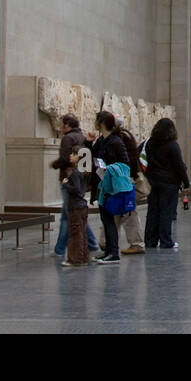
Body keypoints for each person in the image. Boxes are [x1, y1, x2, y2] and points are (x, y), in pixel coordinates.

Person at [87, 110, 131, 264]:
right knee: (105, 219)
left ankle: (113, 252)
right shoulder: (101, 141)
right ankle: (108, 250)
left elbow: (125, 163)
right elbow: (90, 158)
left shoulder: (116, 142)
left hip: (112, 185)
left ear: (102, 123)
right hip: (102, 185)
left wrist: (110, 169)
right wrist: (88, 142)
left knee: (110, 220)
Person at [53, 113, 99, 257]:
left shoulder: (68, 138)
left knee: (69, 215)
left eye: (62, 124)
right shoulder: (82, 137)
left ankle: (61, 248)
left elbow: (65, 157)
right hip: (82, 179)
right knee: (73, 213)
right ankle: (90, 243)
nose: (60, 127)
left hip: (71, 179)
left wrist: (55, 165)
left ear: (67, 125)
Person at [143, 118, 190, 249]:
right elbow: (179, 166)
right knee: (166, 211)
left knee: (153, 211)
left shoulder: (150, 143)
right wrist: (186, 183)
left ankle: (150, 240)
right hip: (169, 183)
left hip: (153, 181)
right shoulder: (172, 145)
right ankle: (165, 240)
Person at [112, 118, 146, 255]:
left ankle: (136, 243)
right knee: (116, 211)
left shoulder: (121, 139)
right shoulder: (123, 136)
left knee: (128, 212)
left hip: (124, 181)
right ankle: (106, 241)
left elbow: (129, 159)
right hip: (122, 180)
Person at [53, 150, 89, 267]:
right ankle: (83, 257)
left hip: (76, 206)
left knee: (75, 233)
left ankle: (75, 259)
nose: (70, 155)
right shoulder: (82, 172)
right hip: (82, 206)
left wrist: (65, 184)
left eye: (73, 154)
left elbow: (76, 190)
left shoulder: (75, 173)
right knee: (81, 232)